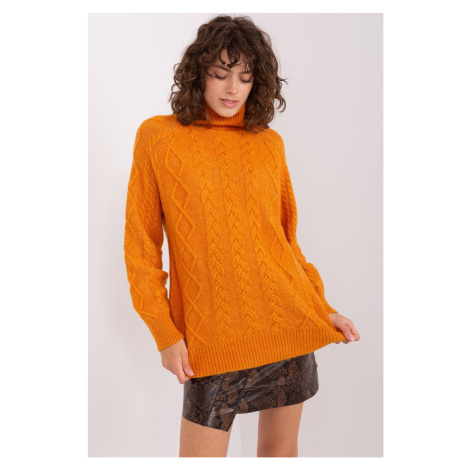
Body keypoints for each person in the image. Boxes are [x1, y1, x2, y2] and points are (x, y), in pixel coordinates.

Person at [124, 14, 360, 458]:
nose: (233, 89)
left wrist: (321, 307)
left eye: (246, 78)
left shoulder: (269, 144)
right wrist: (164, 331)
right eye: (221, 74)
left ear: (259, 82)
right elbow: (141, 246)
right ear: (198, 73)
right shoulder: (158, 137)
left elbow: (285, 243)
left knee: (279, 453)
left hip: (288, 327)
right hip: (211, 340)